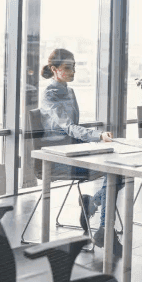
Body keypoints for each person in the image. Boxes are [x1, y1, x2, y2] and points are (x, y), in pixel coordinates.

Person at [40, 48, 122, 255]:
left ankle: (94, 206)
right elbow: (68, 126)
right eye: (68, 67)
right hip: (58, 157)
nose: (73, 71)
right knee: (114, 172)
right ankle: (103, 226)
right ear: (54, 69)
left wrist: (95, 140)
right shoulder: (50, 94)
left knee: (119, 169)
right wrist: (97, 136)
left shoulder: (69, 91)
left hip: (74, 150)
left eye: (74, 66)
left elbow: (74, 128)